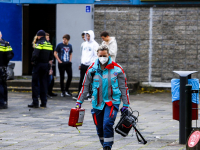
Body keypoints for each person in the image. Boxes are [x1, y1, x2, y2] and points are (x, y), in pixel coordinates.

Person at [75, 45, 130, 150]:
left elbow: (124, 88)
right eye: (100, 55)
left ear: (108, 55)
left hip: (112, 101)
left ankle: (107, 147)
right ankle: (104, 143)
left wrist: (126, 104)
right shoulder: (92, 69)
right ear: (97, 55)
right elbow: (85, 87)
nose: (102, 58)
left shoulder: (117, 69)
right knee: (99, 127)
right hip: (97, 103)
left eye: (104, 55)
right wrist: (79, 102)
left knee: (107, 124)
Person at [28, 30, 53, 108]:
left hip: (38, 65)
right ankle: (44, 102)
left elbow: (35, 54)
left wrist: (32, 61)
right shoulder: (49, 44)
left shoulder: (39, 43)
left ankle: (35, 102)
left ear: (39, 36)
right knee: (44, 83)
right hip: (45, 65)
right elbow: (51, 57)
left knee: (35, 83)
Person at [73, 30, 99, 100]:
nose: (87, 37)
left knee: (91, 80)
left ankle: (90, 95)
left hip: (90, 65)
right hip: (83, 64)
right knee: (82, 80)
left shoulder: (95, 44)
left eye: (88, 36)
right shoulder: (84, 44)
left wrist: (93, 64)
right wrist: (80, 63)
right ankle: (80, 94)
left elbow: (96, 56)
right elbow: (82, 55)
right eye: (86, 36)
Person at [0, 31, 14, 109]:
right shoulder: (5, 44)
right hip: (2, 67)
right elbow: (10, 55)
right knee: (3, 85)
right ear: (1, 35)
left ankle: (1, 102)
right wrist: (5, 62)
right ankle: (4, 102)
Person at [45, 33, 57, 97]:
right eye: (47, 38)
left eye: (49, 38)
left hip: (50, 64)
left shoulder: (49, 45)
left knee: (51, 79)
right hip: (46, 65)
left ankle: (49, 91)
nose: (48, 39)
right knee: (48, 79)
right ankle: (46, 92)